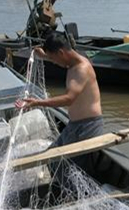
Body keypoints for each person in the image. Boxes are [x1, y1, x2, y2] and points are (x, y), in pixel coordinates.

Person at [16, 30, 103, 173]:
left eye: (53, 58)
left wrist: (37, 102)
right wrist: (44, 55)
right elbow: (59, 58)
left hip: (88, 127)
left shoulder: (81, 69)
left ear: (61, 53)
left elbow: (69, 99)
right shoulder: (71, 61)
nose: (54, 62)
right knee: (52, 158)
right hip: (74, 125)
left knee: (72, 168)